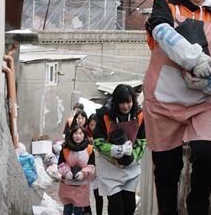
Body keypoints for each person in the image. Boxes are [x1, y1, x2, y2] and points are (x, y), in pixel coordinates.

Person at [144, 0, 211, 214]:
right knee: (167, 170)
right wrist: (195, 60)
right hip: (164, 100)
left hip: (203, 102)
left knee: (207, 154)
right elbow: (160, 30)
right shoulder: (165, 5)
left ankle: (198, 207)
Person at [93, 84, 146, 215]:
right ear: (116, 102)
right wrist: (114, 150)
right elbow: (97, 142)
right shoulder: (103, 115)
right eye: (122, 102)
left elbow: (142, 140)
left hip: (130, 168)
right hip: (109, 167)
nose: (125, 106)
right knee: (116, 207)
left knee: (129, 207)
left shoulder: (139, 115)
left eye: (128, 102)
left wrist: (133, 156)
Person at [58, 124, 96, 215]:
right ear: (71, 135)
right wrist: (66, 171)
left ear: (84, 135)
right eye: (75, 133)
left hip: (81, 185)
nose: (78, 136)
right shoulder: (65, 148)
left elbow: (92, 165)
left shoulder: (89, 149)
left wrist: (83, 172)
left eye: (80, 133)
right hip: (67, 184)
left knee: (78, 210)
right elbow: (60, 163)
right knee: (67, 208)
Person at [83, 114, 102, 215]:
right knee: (85, 192)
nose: (93, 127)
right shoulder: (83, 133)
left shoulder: (101, 134)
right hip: (86, 165)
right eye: (91, 125)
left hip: (98, 166)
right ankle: (88, 211)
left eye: (95, 125)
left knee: (98, 193)